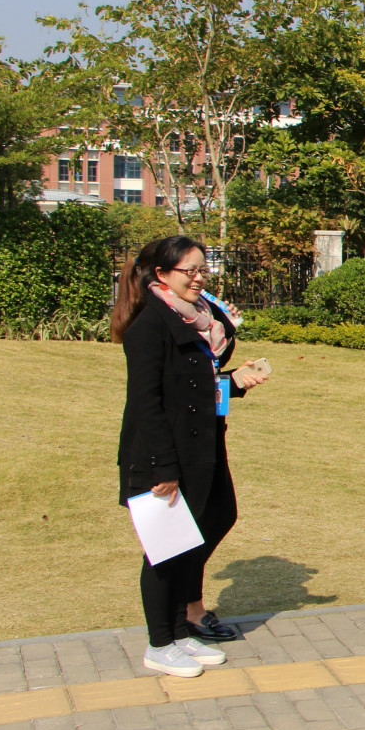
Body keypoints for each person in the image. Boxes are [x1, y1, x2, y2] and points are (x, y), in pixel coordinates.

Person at [112, 236, 270, 677]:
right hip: (163, 456)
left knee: (209, 524)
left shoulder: (196, 319)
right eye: (189, 271)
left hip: (201, 447)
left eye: (203, 270)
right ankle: (159, 643)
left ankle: (180, 632)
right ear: (161, 275)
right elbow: (147, 402)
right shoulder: (151, 326)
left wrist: (233, 382)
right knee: (165, 550)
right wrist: (163, 468)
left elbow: (192, 384)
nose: (199, 278)